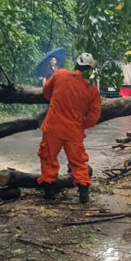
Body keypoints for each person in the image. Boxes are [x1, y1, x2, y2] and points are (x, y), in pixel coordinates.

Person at [37, 53, 102, 203]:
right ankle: (83, 194)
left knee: (48, 157)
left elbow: (46, 92)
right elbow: (94, 116)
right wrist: (82, 124)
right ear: (90, 70)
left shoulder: (60, 74)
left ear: (75, 64)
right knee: (78, 162)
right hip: (74, 131)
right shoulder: (92, 89)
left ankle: (49, 193)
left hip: (53, 126)